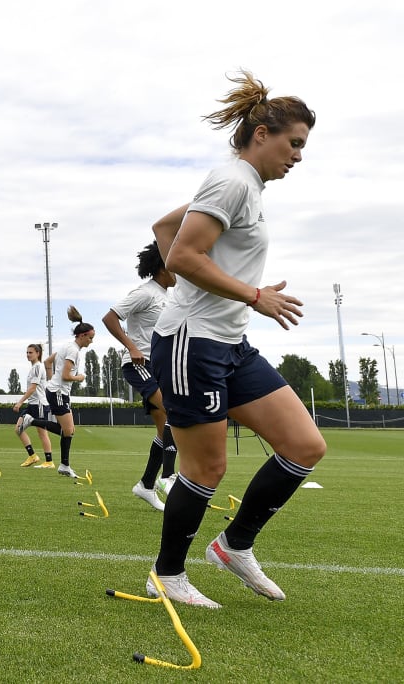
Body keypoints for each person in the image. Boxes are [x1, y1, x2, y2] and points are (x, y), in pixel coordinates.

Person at [145, 71, 321, 608]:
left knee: (305, 445)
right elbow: (179, 255)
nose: (298, 156)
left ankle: (234, 545)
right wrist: (252, 295)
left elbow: (163, 227)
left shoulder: (246, 187)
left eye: (303, 148)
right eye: (294, 144)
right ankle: (167, 574)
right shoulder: (234, 181)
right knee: (206, 468)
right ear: (262, 132)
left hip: (230, 343)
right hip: (190, 343)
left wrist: (238, 301)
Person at [102, 242, 178, 511]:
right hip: (138, 364)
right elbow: (110, 318)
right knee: (171, 411)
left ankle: (146, 485)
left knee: (164, 428)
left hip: (159, 366)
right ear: (162, 266)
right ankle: (167, 476)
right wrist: (131, 346)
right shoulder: (145, 293)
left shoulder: (170, 295)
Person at [22, 306, 94, 478]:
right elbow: (66, 375)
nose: (91, 341)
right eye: (90, 338)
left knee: (69, 431)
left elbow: (47, 361)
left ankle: (64, 465)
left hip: (56, 391)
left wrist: (51, 381)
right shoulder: (73, 350)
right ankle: (31, 420)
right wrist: (80, 377)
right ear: (82, 336)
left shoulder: (66, 346)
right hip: (59, 393)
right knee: (68, 431)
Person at [11, 343, 55, 468]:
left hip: (39, 405)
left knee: (42, 433)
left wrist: (20, 402)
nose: (28, 355)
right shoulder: (33, 368)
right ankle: (32, 456)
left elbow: (32, 388)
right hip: (32, 405)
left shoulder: (37, 367)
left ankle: (49, 461)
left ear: (38, 353)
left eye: (31, 352)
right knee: (18, 429)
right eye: (27, 352)